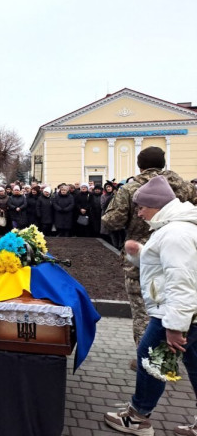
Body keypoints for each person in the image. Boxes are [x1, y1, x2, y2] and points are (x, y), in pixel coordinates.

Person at [104, 175, 197, 436]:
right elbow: (166, 266)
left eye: (141, 207)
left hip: (175, 314)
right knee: (194, 365)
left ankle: (138, 418)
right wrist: (140, 254)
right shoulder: (174, 228)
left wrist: (174, 326)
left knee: (150, 360)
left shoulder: (175, 233)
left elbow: (181, 280)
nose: (138, 213)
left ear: (156, 205)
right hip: (188, 313)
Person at [102, 147, 197, 354]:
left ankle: (149, 357)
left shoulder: (131, 188)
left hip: (142, 258)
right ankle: (180, 349)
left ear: (140, 165)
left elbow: (112, 221)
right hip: (186, 253)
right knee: (184, 300)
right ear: (163, 163)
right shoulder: (187, 187)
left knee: (144, 311)